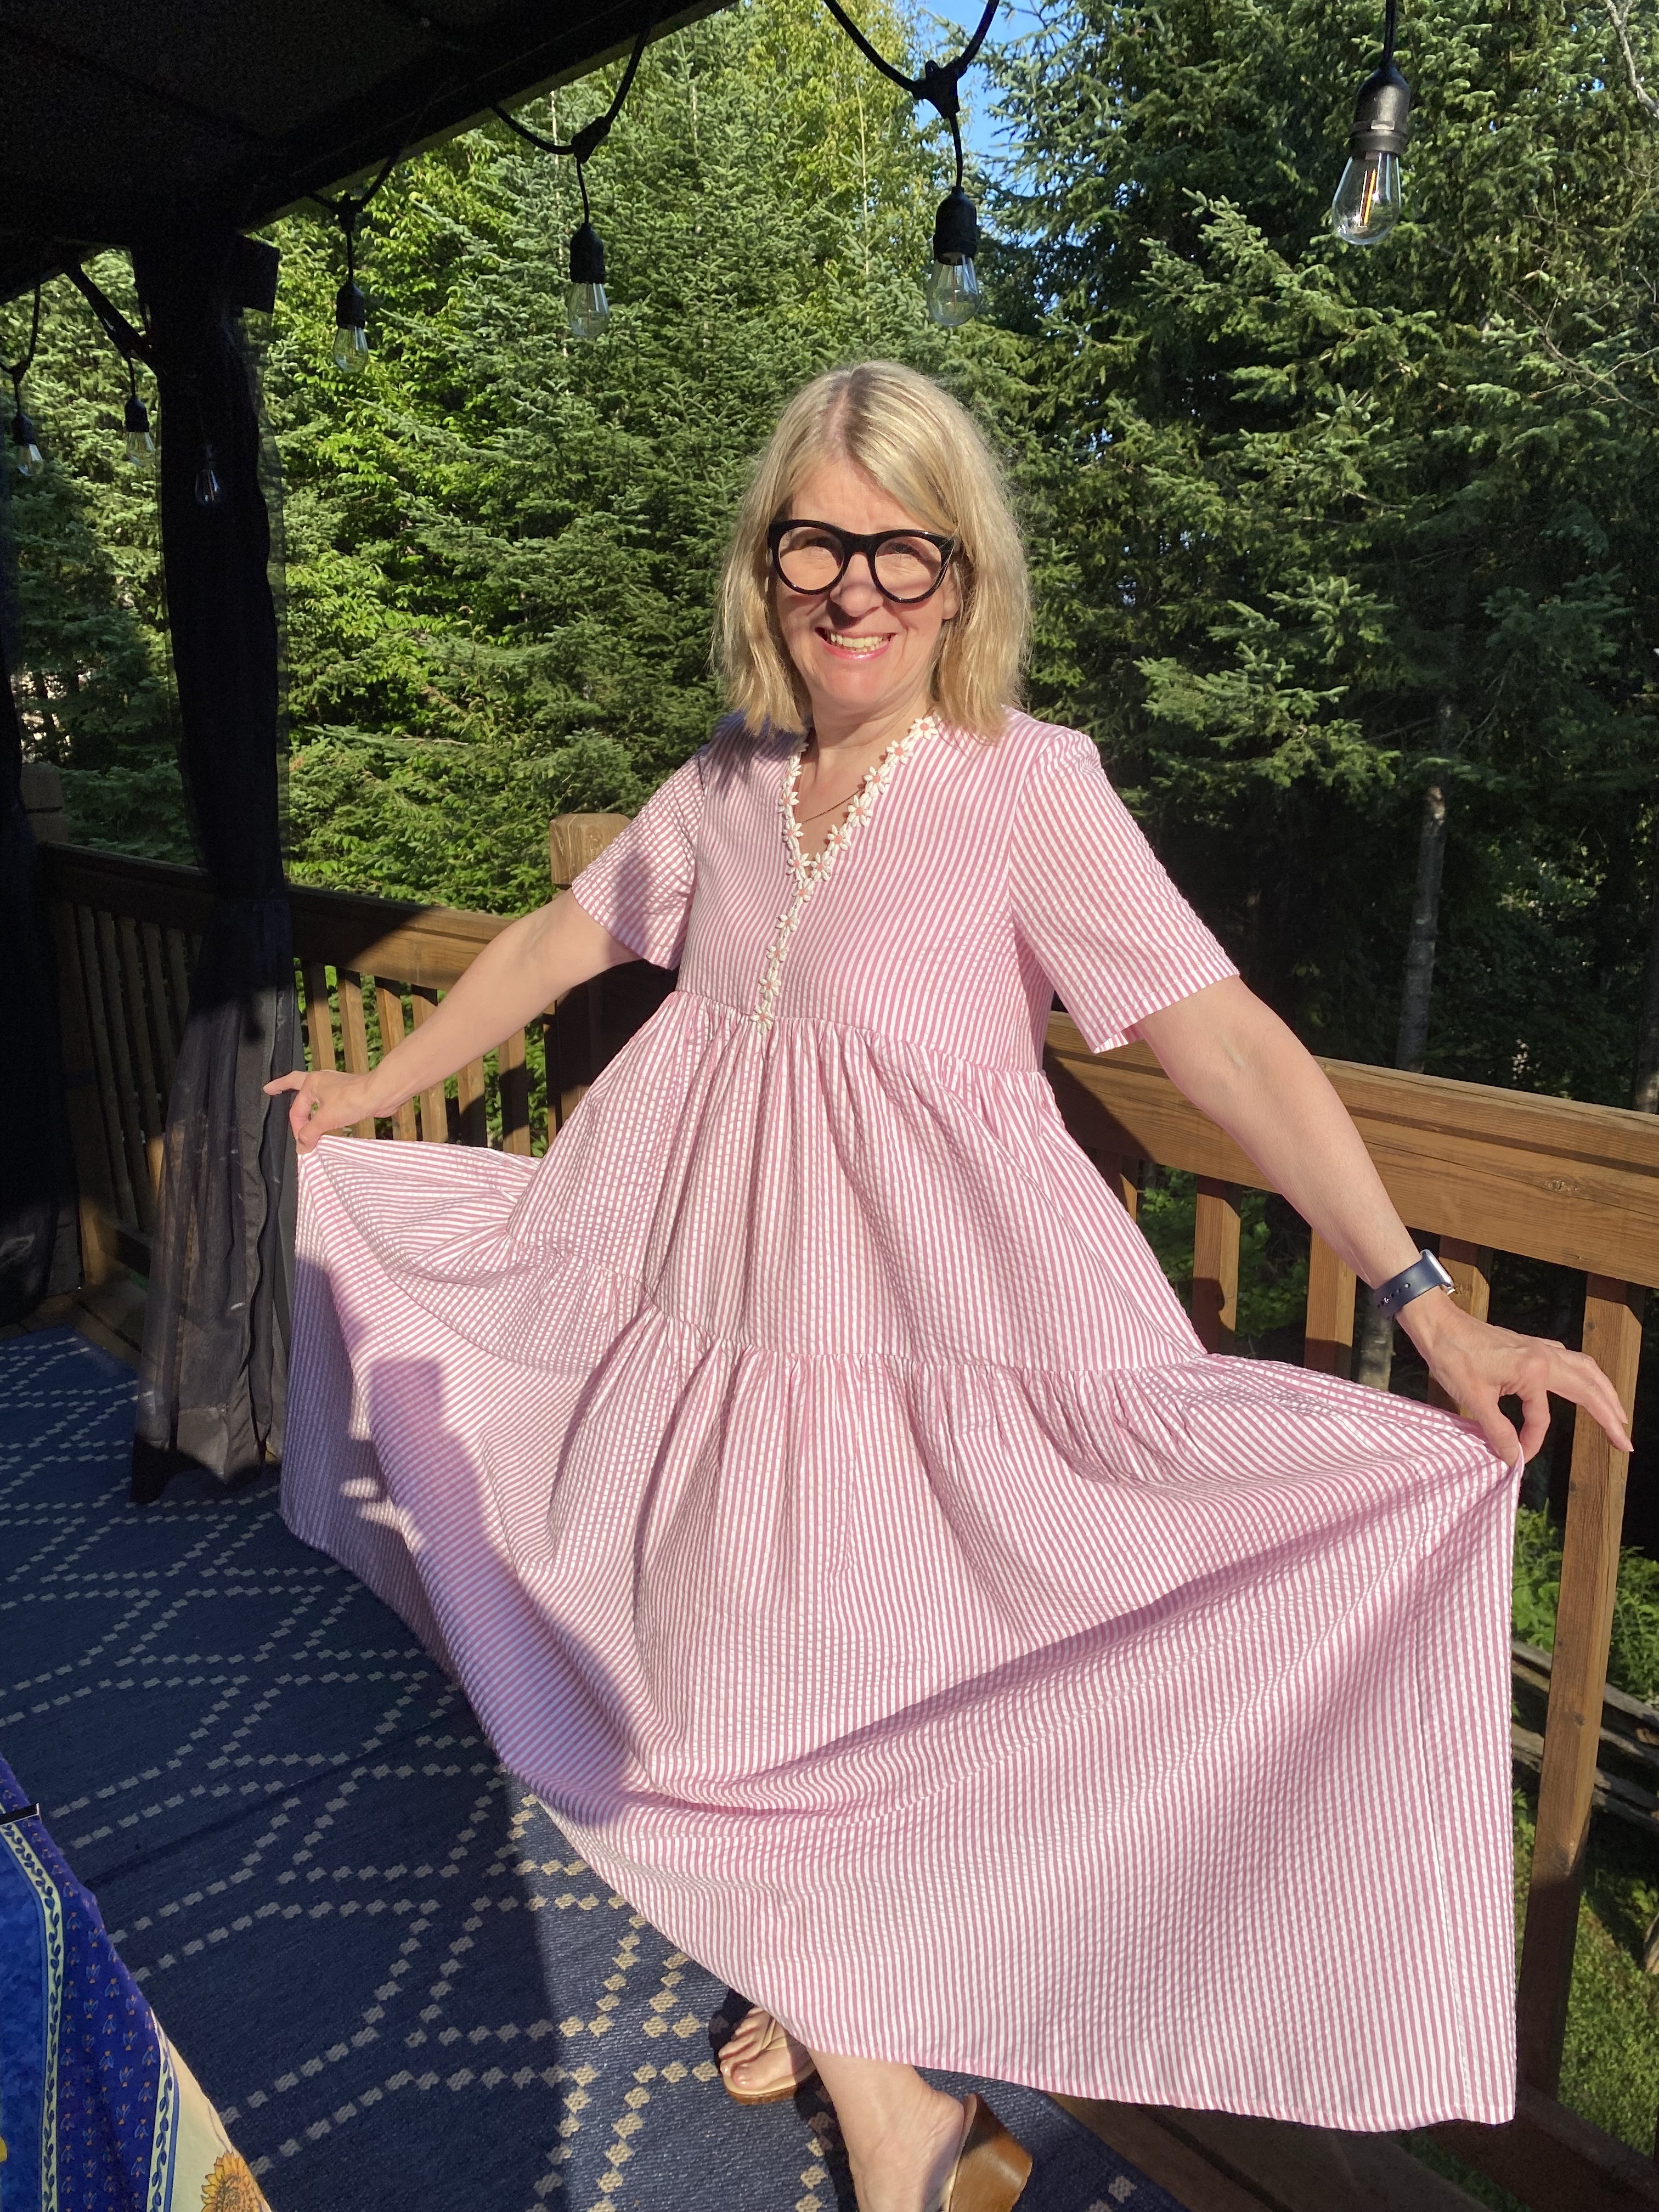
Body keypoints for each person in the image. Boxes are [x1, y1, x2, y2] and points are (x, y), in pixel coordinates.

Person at [271, 360, 1630, 2212]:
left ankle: (876, 2056)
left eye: (901, 551)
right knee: (701, 1682)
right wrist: (380, 1090)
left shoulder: (1027, 787)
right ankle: (848, 2015)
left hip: (934, 1346)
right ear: (765, 564)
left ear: (962, 574)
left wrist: (1424, 1298)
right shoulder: (730, 778)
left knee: (890, 1697)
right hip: (705, 1318)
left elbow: (1224, 1038)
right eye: (817, 545)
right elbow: (557, 941)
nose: (857, 591)